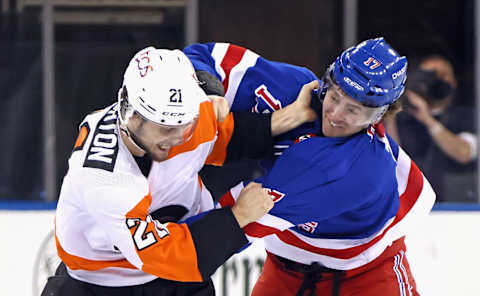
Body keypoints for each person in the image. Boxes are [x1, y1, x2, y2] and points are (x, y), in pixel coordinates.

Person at [42, 46, 316, 296]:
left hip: (174, 273)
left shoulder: (179, 120)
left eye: (185, 124)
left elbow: (218, 136)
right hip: (99, 285)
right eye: (166, 129)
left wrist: (292, 116)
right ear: (131, 115)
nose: (180, 137)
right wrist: (238, 216)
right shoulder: (105, 180)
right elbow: (170, 256)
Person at [216, 38, 436, 296]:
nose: (335, 114)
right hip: (285, 270)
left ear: (378, 116)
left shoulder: (357, 169)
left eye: (353, 110)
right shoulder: (293, 90)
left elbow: (231, 225)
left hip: (367, 275)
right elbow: (210, 59)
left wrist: (171, 243)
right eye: (334, 96)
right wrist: (207, 88)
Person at [384, 55, 477, 202]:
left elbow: (464, 153)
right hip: (409, 204)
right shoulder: (401, 119)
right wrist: (391, 119)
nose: (435, 80)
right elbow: (390, 163)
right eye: (428, 76)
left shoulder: (467, 116)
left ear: (453, 81)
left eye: (442, 75)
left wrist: (428, 120)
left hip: (457, 209)